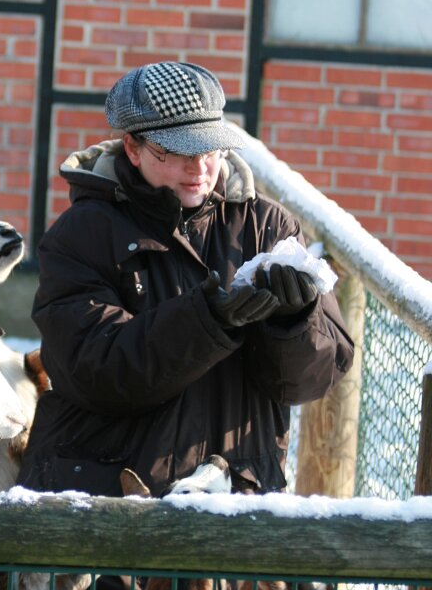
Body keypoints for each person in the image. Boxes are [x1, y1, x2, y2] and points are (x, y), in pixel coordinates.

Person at [19, 60, 355, 497]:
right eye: (177, 151)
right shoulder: (80, 235)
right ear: (133, 148)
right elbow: (93, 370)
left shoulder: (268, 226)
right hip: (108, 496)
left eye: (210, 149)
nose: (199, 168)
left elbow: (314, 377)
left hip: (235, 492)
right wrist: (205, 323)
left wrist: (295, 322)